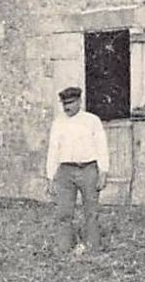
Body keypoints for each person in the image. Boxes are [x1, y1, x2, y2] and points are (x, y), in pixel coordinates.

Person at [44, 85, 108, 255]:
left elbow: (101, 147)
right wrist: (50, 177)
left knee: (91, 211)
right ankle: (63, 247)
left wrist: (103, 171)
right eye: (64, 104)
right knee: (64, 212)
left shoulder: (92, 120)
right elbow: (53, 150)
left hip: (88, 169)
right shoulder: (58, 123)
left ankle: (92, 247)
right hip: (65, 171)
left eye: (71, 103)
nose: (67, 107)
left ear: (80, 101)